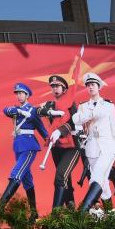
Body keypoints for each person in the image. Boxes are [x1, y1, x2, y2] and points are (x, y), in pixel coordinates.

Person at [72, 73, 115, 212]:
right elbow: (76, 120)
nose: (90, 87)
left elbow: (112, 127)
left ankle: (82, 212)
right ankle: (110, 214)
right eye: (88, 85)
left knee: (97, 176)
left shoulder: (108, 105)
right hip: (92, 146)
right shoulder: (83, 106)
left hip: (107, 145)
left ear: (99, 87)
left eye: (93, 85)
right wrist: (91, 114)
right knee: (103, 183)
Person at [0, 82, 48, 218]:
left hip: (29, 145)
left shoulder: (32, 110)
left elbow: (40, 127)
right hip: (18, 146)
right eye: (17, 93)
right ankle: (34, 214)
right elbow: (6, 110)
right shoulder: (16, 110)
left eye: (21, 93)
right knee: (27, 180)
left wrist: (47, 137)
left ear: (27, 95)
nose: (19, 96)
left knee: (16, 173)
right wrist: (20, 111)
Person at [36, 74, 83, 209]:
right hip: (56, 147)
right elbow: (37, 111)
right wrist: (50, 112)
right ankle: (70, 207)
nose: (55, 89)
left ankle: (55, 214)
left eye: (58, 86)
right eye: (53, 87)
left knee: (60, 176)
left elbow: (74, 122)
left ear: (64, 89)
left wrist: (60, 131)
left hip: (72, 147)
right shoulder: (50, 104)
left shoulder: (70, 103)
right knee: (65, 178)